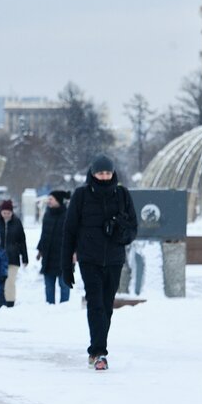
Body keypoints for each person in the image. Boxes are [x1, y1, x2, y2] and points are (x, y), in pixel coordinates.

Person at [62, 155, 137, 371]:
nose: (104, 177)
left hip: (114, 259)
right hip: (89, 258)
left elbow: (133, 228)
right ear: (92, 173)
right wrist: (67, 266)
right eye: (100, 173)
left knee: (106, 306)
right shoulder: (81, 195)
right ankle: (98, 353)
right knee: (95, 304)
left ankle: (97, 348)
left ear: (113, 173)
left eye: (107, 173)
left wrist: (119, 230)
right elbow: (69, 231)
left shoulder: (121, 194)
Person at [0, 199, 28, 307]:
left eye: (9, 213)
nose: (6, 215)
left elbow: (22, 240)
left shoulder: (17, 222)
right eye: (4, 213)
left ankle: (9, 303)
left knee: (10, 281)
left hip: (13, 257)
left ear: (12, 212)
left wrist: (25, 257)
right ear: (0, 211)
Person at [36, 190, 71, 304]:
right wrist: (40, 249)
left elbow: (74, 235)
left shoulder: (68, 215)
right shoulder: (47, 214)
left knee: (64, 284)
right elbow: (44, 233)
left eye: (51, 199)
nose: (49, 201)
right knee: (49, 285)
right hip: (48, 255)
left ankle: (64, 308)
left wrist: (75, 252)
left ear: (58, 201)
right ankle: (49, 306)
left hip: (64, 256)